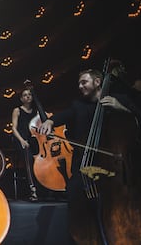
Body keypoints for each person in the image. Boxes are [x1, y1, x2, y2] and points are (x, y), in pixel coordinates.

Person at [37, 68, 141, 244]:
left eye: (84, 82)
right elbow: (64, 115)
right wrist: (49, 121)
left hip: (116, 167)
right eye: (79, 83)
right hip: (85, 167)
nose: (80, 86)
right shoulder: (78, 105)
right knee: (74, 191)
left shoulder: (119, 100)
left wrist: (121, 108)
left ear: (97, 82)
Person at [11, 88, 39, 201]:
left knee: (39, 161)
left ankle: (45, 187)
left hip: (33, 140)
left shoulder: (36, 111)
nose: (27, 96)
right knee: (29, 160)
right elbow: (14, 128)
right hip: (21, 139)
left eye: (29, 95)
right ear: (21, 98)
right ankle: (33, 190)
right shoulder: (17, 110)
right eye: (25, 95)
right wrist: (22, 140)